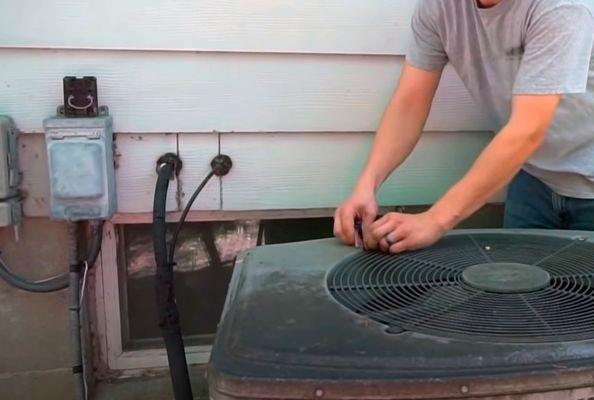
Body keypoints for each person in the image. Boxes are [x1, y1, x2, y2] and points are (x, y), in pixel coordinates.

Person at [334, 0, 594, 253]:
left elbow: (527, 130)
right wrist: (367, 186)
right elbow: (410, 102)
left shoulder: (563, 7)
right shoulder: (440, 7)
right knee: (519, 289)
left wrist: (435, 220)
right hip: (532, 177)